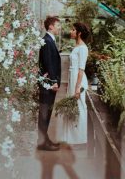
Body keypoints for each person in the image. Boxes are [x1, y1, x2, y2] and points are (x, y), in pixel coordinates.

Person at [57, 22, 89, 146]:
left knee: (79, 109)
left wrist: (77, 88)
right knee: (71, 109)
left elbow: (81, 69)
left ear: (79, 33)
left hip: (78, 80)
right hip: (73, 78)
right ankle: (70, 138)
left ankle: (80, 140)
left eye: (73, 29)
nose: (71, 31)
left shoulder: (83, 48)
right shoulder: (76, 46)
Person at [37, 16, 62, 151]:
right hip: (47, 85)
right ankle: (42, 142)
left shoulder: (49, 40)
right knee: (44, 113)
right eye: (57, 25)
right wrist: (53, 82)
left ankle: (44, 139)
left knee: (46, 113)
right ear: (51, 26)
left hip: (49, 84)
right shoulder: (46, 41)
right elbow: (48, 63)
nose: (59, 28)